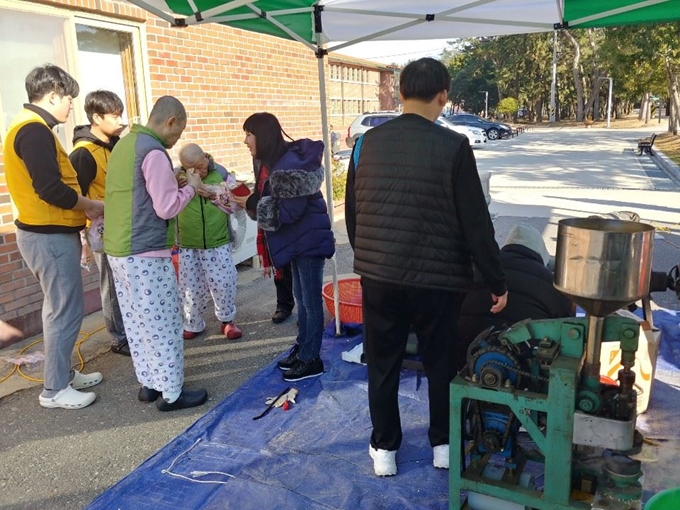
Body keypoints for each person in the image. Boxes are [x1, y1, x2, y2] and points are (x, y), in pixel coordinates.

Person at [344, 57, 508, 477]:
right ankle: (443, 444)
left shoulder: (366, 143)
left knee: (383, 361)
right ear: (443, 96)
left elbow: (353, 214)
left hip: (379, 275)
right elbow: (475, 222)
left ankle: (384, 450)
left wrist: (369, 256)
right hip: (439, 280)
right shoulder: (453, 146)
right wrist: (496, 279)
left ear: (400, 94)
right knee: (440, 361)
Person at [4, 64, 105, 410]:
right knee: (64, 310)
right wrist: (91, 205)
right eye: (69, 100)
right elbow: (49, 189)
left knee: (59, 308)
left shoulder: (28, 127)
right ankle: (55, 389)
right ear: (52, 95)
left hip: (43, 233)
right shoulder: (33, 131)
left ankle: (59, 373)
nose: (71, 108)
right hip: (47, 236)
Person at [104, 96, 208, 412]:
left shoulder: (125, 145)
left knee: (137, 322)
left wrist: (174, 182)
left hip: (118, 250)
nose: (177, 141)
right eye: (178, 133)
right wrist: (190, 187)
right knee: (162, 324)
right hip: (146, 252)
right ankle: (172, 394)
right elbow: (166, 207)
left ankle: (149, 383)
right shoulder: (154, 152)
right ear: (171, 121)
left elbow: (139, 191)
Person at [232, 112, 335, 382]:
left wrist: (251, 204)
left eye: (249, 134)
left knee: (311, 304)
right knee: (302, 300)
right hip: (298, 243)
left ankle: (311, 359)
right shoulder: (275, 162)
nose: (245, 141)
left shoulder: (287, 166)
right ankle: (303, 349)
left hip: (308, 242)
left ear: (262, 136)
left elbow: (288, 212)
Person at [69, 90, 130, 356]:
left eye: (120, 115)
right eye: (114, 116)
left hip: (124, 226)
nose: (120, 121)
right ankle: (119, 338)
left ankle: (130, 329)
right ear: (96, 117)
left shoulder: (115, 146)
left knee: (125, 280)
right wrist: (84, 235)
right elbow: (76, 196)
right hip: (101, 232)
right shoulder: (83, 154)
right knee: (111, 283)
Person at [458, 223, 574, 345]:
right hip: (528, 356)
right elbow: (567, 325)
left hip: (465, 349)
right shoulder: (552, 282)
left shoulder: (482, 269)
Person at [174, 143, 242, 341]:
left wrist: (215, 194)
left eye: (200, 166)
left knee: (223, 281)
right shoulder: (177, 177)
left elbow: (241, 199)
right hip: (188, 242)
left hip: (217, 240)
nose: (197, 172)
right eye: (190, 168)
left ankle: (227, 320)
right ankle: (193, 323)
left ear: (206, 157)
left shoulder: (221, 172)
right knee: (189, 286)